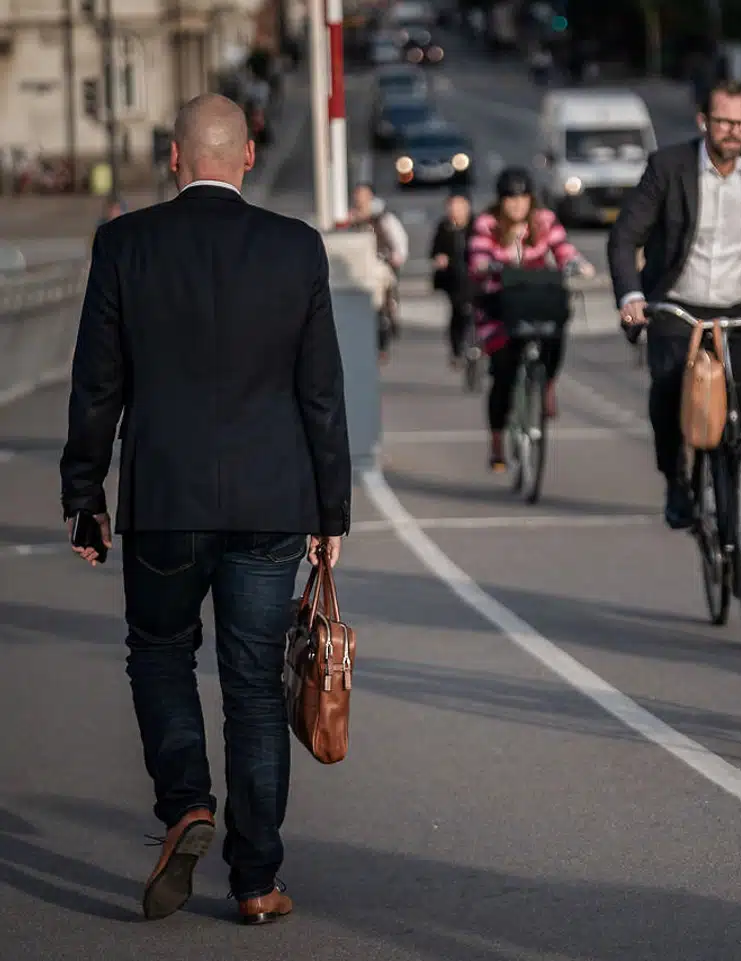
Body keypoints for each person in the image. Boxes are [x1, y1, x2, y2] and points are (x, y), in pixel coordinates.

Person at [58, 93, 351, 925]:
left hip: (165, 502)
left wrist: (85, 496)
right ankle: (256, 879)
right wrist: (332, 514)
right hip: (272, 504)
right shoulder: (297, 250)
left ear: (175, 158)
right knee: (256, 687)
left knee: (158, 653)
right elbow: (321, 396)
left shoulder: (124, 245)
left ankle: (186, 801)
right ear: (249, 156)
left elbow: (96, 388)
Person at [607, 79, 741, 595]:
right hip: (679, 307)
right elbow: (626, 234)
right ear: (703, 121)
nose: (734, 132)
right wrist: (631, 295)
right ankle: (678, 482)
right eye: (724, 122)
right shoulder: (668, 168)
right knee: (670, 394)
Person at [468, 166, 594, 471]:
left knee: (556, 327)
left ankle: (547, 383)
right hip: (500, 306)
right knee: (503, 373)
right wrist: (491, 265)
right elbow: (478, 259)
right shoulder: (487, 224)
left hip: (535, 302)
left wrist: (578, 264)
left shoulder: (544, 221)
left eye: (522, 198)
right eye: (510, 199)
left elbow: (564, 250)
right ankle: (498, 444)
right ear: (501, 201)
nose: (517, 205)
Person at [349, 182, 409, 362]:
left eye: (364, 194)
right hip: (356, 271)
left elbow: (399, 240)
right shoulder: (350, 218)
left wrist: (397, 256)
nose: (360, 199)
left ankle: (383, 339)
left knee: (381, 303)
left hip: (378, 266)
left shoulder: (383, 218)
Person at [430, 190, 475, 366]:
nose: (455, 210)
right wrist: (440, 258)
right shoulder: (444, 227)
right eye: (452, 206)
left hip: (474, 275)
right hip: (452, 278)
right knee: (458, 311)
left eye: (459, 206)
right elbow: (435, 250)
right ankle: (457, 348)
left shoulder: (477, 226)